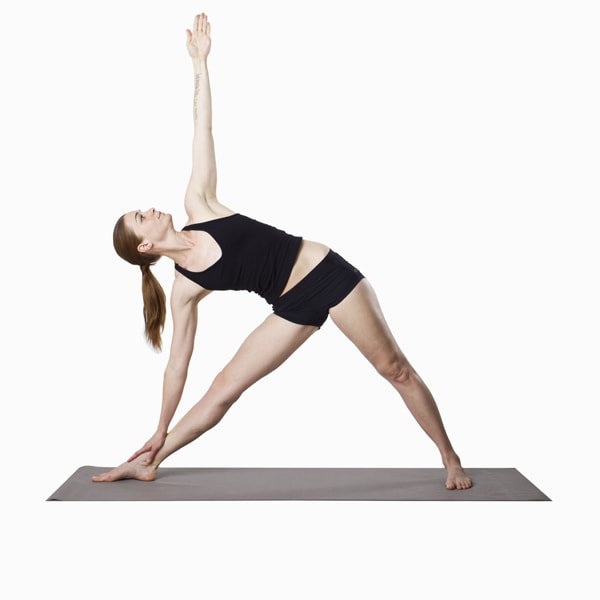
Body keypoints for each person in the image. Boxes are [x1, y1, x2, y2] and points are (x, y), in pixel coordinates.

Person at [93, 12, 472, 490]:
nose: (149, 209)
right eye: (140, 216)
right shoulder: (184, 288)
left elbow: (202, 130)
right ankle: (151, 459)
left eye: (142, 209)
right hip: (290, 306)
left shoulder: (200, 205)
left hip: (328, 275)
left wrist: (199, 64)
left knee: (393, 368)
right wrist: (159, 428)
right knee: (223, 390)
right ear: (145, 245)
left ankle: (450, 458)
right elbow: (177, 366)